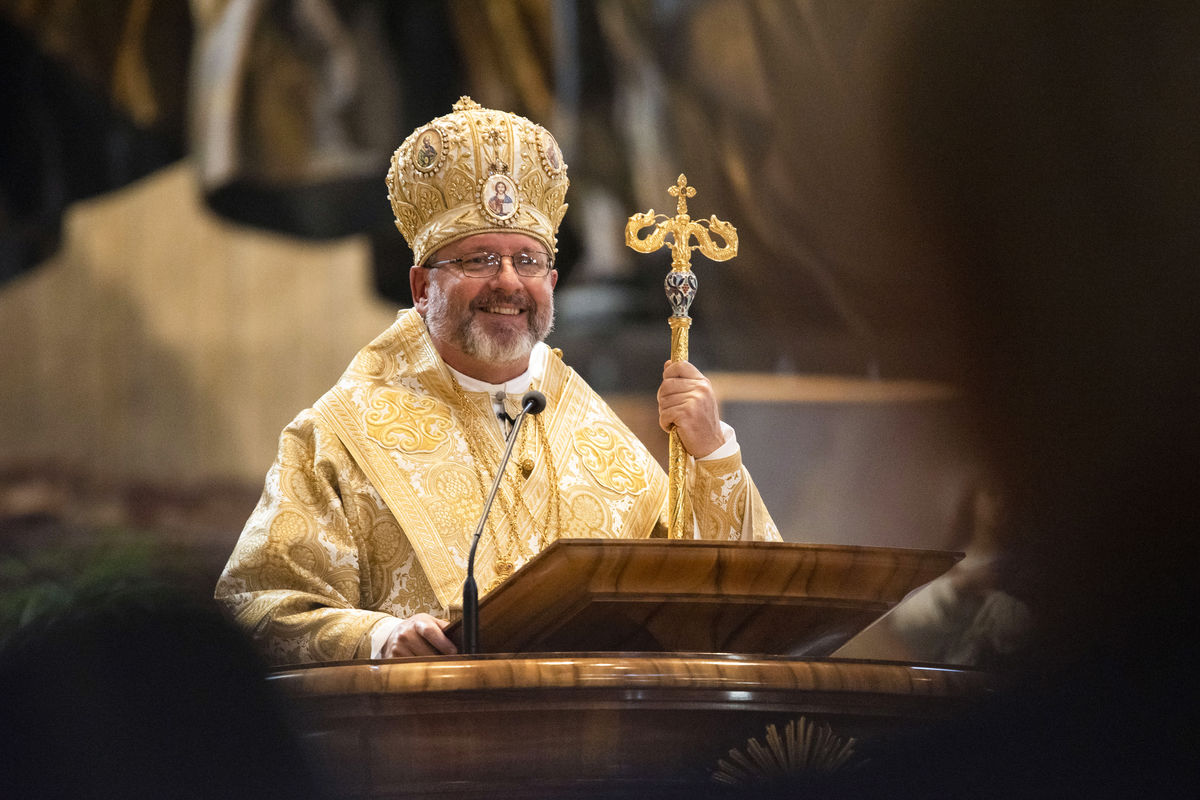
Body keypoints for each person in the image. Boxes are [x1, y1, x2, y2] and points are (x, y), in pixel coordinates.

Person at [215, 97, 779, 665]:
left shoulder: (605, 446)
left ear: (553, 282)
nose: (508, 283)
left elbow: (734, 609)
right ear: (420, 287)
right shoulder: (337, 438)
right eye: (478, 259)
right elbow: (255, 609)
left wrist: (711, 456)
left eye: (527, 262)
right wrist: (379, 640)